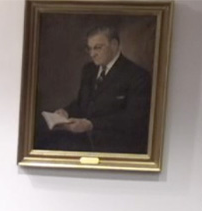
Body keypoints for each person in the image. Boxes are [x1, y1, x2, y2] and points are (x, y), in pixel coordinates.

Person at [39, 25, 151, 154]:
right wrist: (66, 111)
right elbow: (83, 102)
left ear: (114, 45)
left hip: (116, 147)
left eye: (97, 47)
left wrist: (91, 124)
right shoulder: (89, 70)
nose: (92, 54)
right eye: (90, 49)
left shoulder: (137, 75)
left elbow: (133, 119)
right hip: (83, 142)